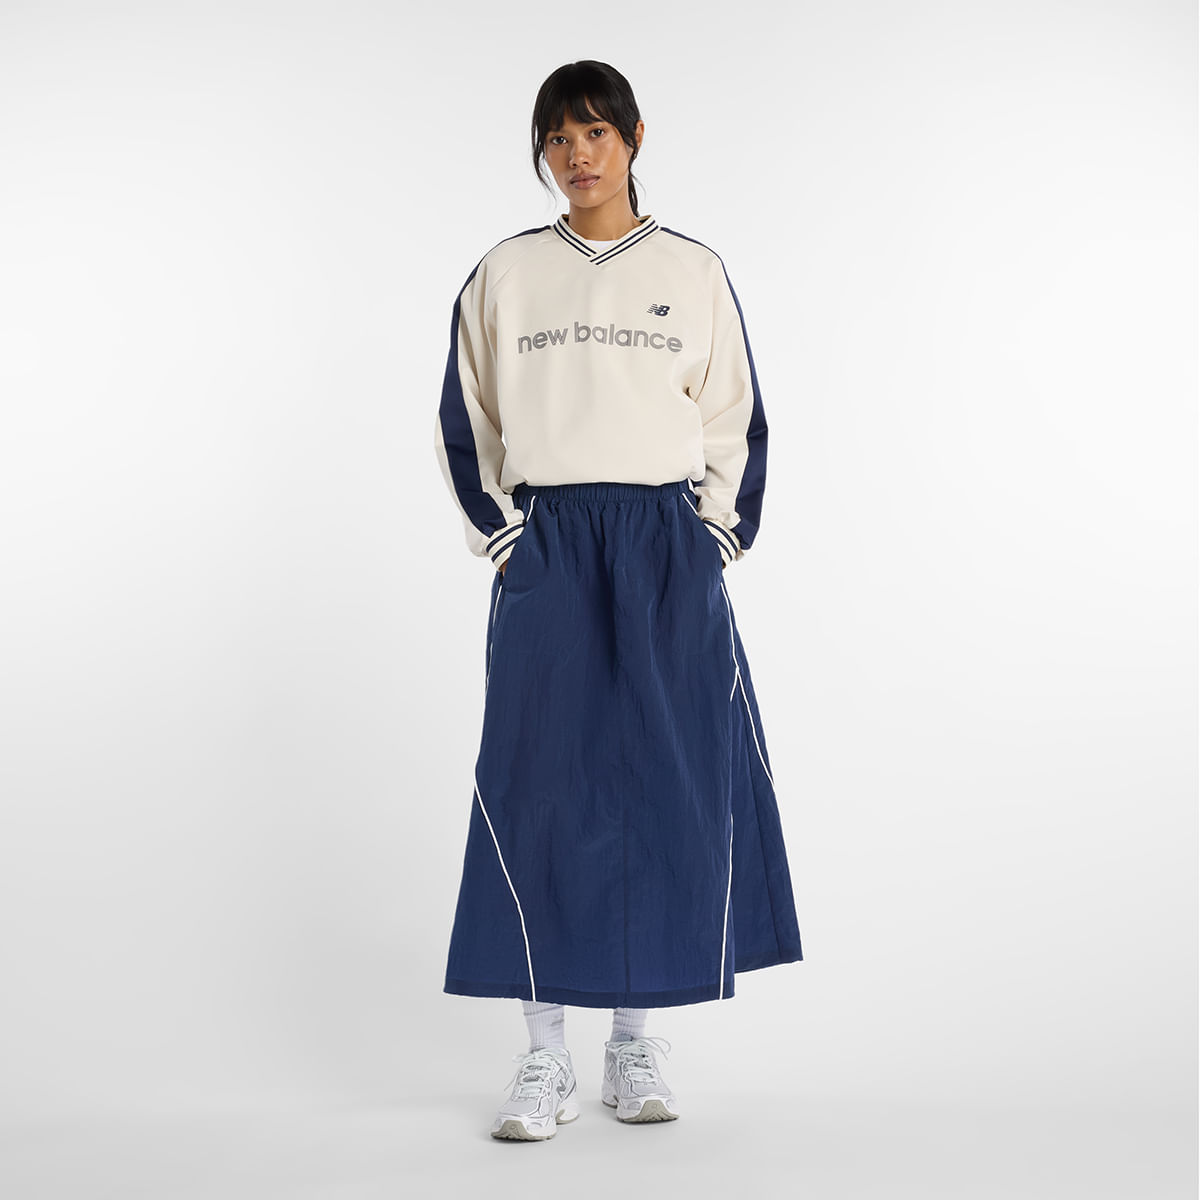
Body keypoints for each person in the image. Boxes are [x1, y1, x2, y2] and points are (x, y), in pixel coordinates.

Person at [433, 60, 804, 1141]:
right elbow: (465, 420)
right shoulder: (506, 273)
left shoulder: (692, 270)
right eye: (557, 138)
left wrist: (714, 539)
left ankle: (634, 1045)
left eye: (595, 132)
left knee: (662, 785)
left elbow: (736, 416)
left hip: (662, 547)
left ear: (634, 137)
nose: (576, 155)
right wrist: (509, 540)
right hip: (551, 543)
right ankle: (544, 1056)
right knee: (539, 784)